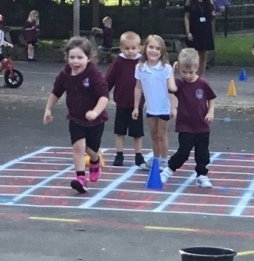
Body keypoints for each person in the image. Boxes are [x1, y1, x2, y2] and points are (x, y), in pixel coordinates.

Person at [42, 36, 111, 194]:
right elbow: (55, 93)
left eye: (80, 57)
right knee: (78, 147)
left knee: (91, 150)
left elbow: (104, 96)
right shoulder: (65, 74)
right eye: (72, 57)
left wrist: (95, 112)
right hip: (75, 118)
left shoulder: (94, 74)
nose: (75, 61)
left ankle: (95, 160)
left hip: (95, 120)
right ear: (67, 57)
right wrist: (48, 109)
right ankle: (81, 178)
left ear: (88, 57)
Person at [167, 47, 218, 188]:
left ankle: (202, 175)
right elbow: (171, 88)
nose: (188, 75)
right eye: (184, 72)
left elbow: (211, 98)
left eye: (191, 72)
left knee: (203, 153)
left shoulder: (203, 84)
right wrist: (172, 70)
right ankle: (169, 169)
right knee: (183, 152)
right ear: (179, 69)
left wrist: (211, 112)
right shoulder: (179, 83)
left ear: (197, 67)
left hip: (202, 125)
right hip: (186, 125)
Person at [105, 31, 145, 167]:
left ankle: (138, 155)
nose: (130, 51)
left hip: (137, 104)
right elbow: (109, 79)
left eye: (133, 48)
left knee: (137, 133)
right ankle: (119, 154)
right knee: (119, 130)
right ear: (121, 48)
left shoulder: (142, 62)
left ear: (139, 48)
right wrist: (103, 94)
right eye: (127, 48)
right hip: (121, 102)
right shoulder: (119, 61)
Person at [137, 33, 175, 167]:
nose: (154, 51)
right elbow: (138, 88)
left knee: (161, 135)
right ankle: (156, 158)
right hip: (151, 107)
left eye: (158, 49)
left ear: (162, 52)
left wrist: (173, 107)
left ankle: (164, 160)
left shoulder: (166, 68)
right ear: (145, 48)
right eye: (151, 47)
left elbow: (172, 90)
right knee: (153, 134)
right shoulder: (140, 67)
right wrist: (136, 107)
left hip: (164, 107)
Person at [183, 0, 216, 75]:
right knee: (193, 54)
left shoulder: (209, 1)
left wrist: (218, 12)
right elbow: (186, 17)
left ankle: (200, 77)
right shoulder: (190, 1)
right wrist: (188, 32)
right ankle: (192, 74)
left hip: (205, 29)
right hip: (194, 29)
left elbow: (212, 16)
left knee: (203, 55)